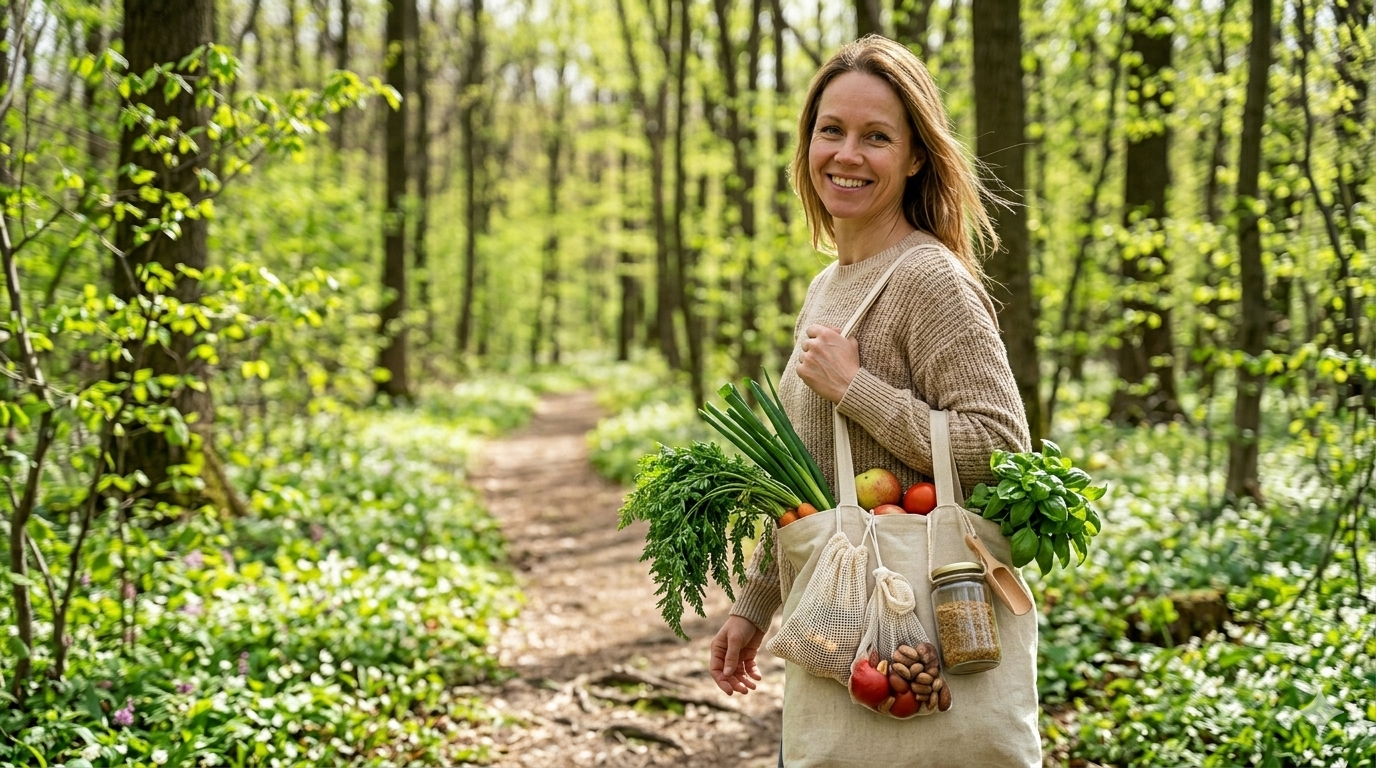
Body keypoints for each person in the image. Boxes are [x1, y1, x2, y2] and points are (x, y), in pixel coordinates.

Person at [707, 36, 1041, 767]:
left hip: (926, 627)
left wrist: (857, 390)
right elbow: (809, 479)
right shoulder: (825, 287)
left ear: (916, 156)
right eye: (832, 131)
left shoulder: (929, 279)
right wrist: (755, 603)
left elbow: (1003, 450)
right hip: (836, 627)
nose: (847, 154)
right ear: (808, 143)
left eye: (876, 137)